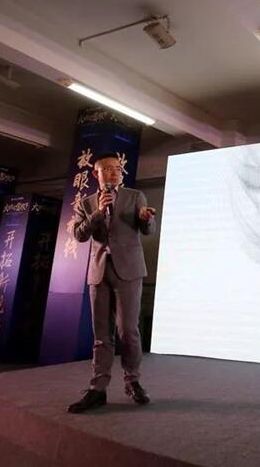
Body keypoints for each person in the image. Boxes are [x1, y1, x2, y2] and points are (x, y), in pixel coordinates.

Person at [67, 153, 157, 413]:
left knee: (128, 330)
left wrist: (147, 219)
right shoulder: (86, 203)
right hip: (99, 271)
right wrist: (97, 212)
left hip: (128, 271)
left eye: (117, 168)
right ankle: (98, 388)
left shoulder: (135, 196)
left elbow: (148, 229)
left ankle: (133, 381)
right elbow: (79, 235)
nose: (114, 172)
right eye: (107, 169)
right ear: (96, 174)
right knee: (101, 335)